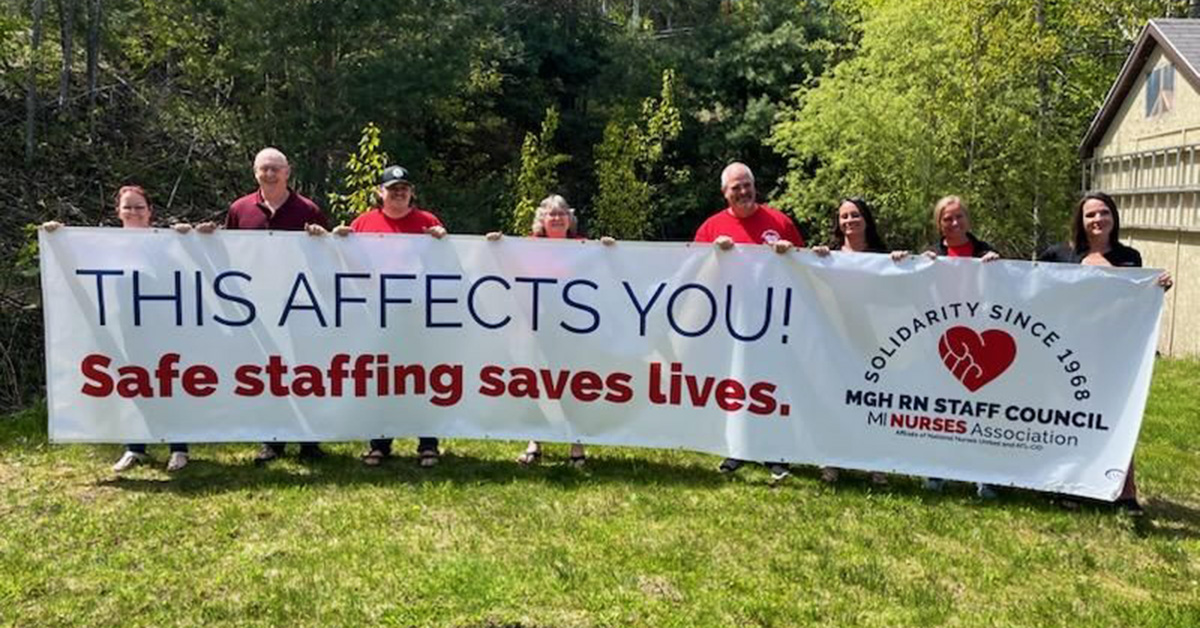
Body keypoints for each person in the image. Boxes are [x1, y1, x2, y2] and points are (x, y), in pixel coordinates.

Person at [1038, 191, 1173, 515]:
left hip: (1112, 353)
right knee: (1068, 419)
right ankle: (1066, 484)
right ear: (1080, 221)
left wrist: (1155, 288)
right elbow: (1030, 285)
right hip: (1065, 351)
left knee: (1117, 418)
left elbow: (1131, 303)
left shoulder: (1130, 258)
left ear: (1113, 217)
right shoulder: (1059, 255)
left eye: (1103, 213)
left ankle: (1125, 492)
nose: (1097, 220)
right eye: (1090, 215)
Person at [42, 186, 193, 472]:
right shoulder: (103, 243)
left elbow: (192, 265)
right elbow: (74, 265)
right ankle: (135, 448)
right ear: (118, 212)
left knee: (170, 384)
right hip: (122, 328)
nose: (134, 212)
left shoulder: (166, 242)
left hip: (165, 327)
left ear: (150, 211)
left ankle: (179, 448)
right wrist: (57, 237)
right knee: (132, 385)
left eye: (139, 207)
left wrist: (190, 238)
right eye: (128, 207)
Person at [311, 165, 447, 468]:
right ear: (379, 193)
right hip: (376, 314)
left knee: (422, 378)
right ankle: (380, 443)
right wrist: (339, 240)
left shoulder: (428, 222)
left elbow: (446, 263)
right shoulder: (363, 222)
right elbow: (344, 264)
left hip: (416, 312)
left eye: (404, 188)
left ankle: (428, 444)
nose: (399, 193)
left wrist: (442, 240)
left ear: (411, 192)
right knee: (380, 377)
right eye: (392, 188)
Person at [693, 162, 802, 482]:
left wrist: (789, 252)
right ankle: (737, 447)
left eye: (747, 185)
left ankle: (774, 451)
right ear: (724, 193)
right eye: (735, 187)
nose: (743, 191)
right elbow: (694, 273)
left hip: (774, 318)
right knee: (736, 385)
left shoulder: (779, 221)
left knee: (773, 386)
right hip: (730, 321)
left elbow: (804, 266)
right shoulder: (711, 228)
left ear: (755, 186)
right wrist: (715, 254)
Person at [226, 147, 330, 464]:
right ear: (254, 171)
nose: (269, 174)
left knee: (304, 372)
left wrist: (321, 237)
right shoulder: (240, 209)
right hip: (257, 307)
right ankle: (273, 439)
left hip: (300, 305)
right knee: (268, 373)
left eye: (276, 168)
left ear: (288, 172)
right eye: (264, 168)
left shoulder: (309, 209)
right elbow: (228, 252)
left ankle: (309, 440)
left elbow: (328, 256)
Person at [485, 195, 599, 468]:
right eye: (551, 214)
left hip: (573, 327)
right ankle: (535, 441)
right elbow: (506, 267)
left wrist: (610, 249)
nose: (557, 218)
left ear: (570, 219)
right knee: (537, 383)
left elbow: (604, 272)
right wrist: (497, 246)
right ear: (542, 220)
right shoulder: (527, 246)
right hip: (536, 326)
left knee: (573, 384)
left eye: (562, 213)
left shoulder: (583, 247)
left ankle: (576, 444)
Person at [919, 195, 1001, 499]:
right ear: (939, 223)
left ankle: (984, 476)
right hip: (942, 342)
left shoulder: (987, 254)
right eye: (947, 218)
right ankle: (937, 471)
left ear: (968, 219)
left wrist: (998, 265)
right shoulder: (930, 256)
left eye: (959, 217)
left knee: (980, 412)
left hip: (983, 341)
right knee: (942, 411)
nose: (954, 223)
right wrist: (913, 265)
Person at [811, 197, 891, 486]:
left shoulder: (883, 257)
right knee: (834, 400)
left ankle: (876, 464)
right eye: (844, 216)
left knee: (872, 403)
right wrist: (814, 259)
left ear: (866, 219)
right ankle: (831, 462)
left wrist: (904, 264)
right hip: (836, 339)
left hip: (875, 341)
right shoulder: (827, 255)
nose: (849, 221)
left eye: (855, 215)